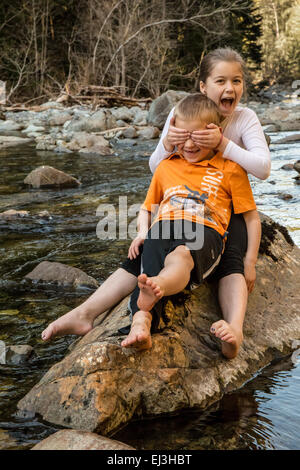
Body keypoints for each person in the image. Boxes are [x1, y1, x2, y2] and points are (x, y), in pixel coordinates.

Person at [41, 47, 269, 345]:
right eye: (220, 81)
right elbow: (157, 168)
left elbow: (263, 168)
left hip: (223, 207)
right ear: (203, 86)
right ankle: (90, 312)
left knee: (230, 259)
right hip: (179, 209)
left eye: (236, 81)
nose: (229, 88)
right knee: (145, 253)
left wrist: (223, 144)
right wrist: (168, 144)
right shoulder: (181, 114)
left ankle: (230, 327)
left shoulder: (244, 118)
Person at [120, 93, 260, 358]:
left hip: (203, 229)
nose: (189, 143)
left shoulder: (230, 168)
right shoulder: (166, 166)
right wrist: (141, 233)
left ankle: (160, 286)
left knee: (181, 256)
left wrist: (249, 260)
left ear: (215, 133)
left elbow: (251, 218)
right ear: (173, 133)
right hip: (165, 225)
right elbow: (148, 207)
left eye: (197, 136)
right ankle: (141, 322)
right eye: (182, 136)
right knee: (151, 251)